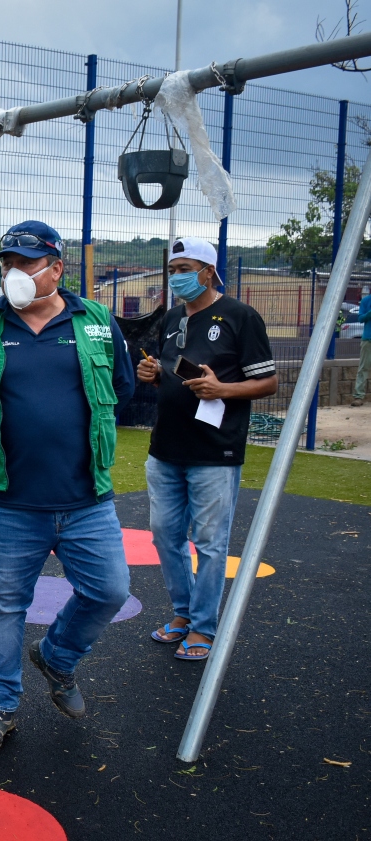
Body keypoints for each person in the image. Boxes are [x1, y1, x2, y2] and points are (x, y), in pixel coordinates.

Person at [0, 220, 135, 753]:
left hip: (85, 497)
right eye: (8, 264)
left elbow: (122, 385)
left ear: (56, 268)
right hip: (12, 500)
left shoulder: (95, 320)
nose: (14, 273)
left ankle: (58, 657)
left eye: (26, 264)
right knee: (4, 604)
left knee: (109, 590)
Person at [136, 236, 277, 661]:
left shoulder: (240, 317)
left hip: (214, 451)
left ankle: (203, 627)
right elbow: (173, 374)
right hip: (165, 448)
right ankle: (183, 613)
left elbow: (268, 382)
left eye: (185, 268)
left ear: (209, 272)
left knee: (211, 542)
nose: (177, 276)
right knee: (165, 536)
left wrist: (222, 388)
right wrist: (154, 374)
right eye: (173, 269)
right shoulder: (174, 319)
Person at [354, 285, 370, 407]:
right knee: (363, 367)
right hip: (368, 339)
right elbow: (360, 318)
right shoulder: (365, 301)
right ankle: (359, 396)